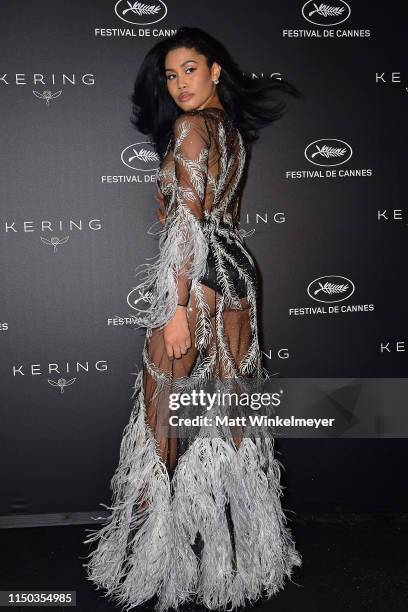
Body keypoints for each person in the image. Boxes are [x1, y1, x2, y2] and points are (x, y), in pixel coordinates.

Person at [83, 26, 303, 612]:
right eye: (171, 74)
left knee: (163, 424)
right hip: (238, 278)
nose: (180, 83)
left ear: (215, 71)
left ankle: (155, 570)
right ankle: (249, 564)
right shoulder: (229, 131)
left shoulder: (189, 129)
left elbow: (186, 229)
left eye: (189, 69)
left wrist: (177, 309)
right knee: (230, 417)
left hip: (199, 287)